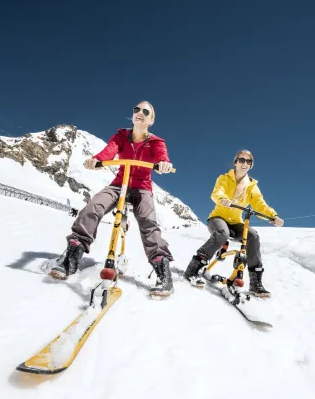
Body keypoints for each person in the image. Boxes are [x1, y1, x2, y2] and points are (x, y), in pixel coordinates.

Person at [50, 101, 176, 297]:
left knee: (148, 220)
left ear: (151, 120)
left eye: (145, 111)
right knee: (94, 206)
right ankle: (73, 255)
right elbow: (110, 150)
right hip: (119, 184)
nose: (139, 113)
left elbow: (162, 156)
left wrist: (163, 164)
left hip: (142, 188)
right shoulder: (121, 136)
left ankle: (162, 270)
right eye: (136, 110)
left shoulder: (156, 142)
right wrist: (97, 160)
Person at [183, 150, 284, 297]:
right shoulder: (224, 178)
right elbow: (217, 192)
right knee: (222, 233)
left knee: (253, 236)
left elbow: (259, 204)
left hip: (236, 222)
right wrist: (223, 199)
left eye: (248, 161)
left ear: (251, 165)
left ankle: (256, 284)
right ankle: (193, 269)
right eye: (241, 160)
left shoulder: (251, 186)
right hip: (218, 218)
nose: (244, 164)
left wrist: (273, 216)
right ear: (235, 162)